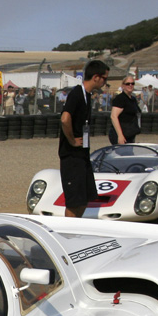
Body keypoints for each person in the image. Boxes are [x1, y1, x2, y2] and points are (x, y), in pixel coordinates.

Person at [59, 59, 109, 218]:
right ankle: (67, 235)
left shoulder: (87, 96)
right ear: (96, 77)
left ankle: (75, 229)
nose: (105, 83)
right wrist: (72, 140)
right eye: (105, 79)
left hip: (82, 155)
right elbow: (65, 119)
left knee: (84, 198)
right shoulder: (77, 93)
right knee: (74, 202)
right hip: (72, 156)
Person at [108, 76, 140, 144]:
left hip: (130, 133)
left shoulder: (133, 99)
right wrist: (120, 135)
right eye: (127, 84)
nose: (130, 85)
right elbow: (113, 116)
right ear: (123, 86)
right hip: (120, 133)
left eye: (132, 83)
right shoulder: (120, 99)